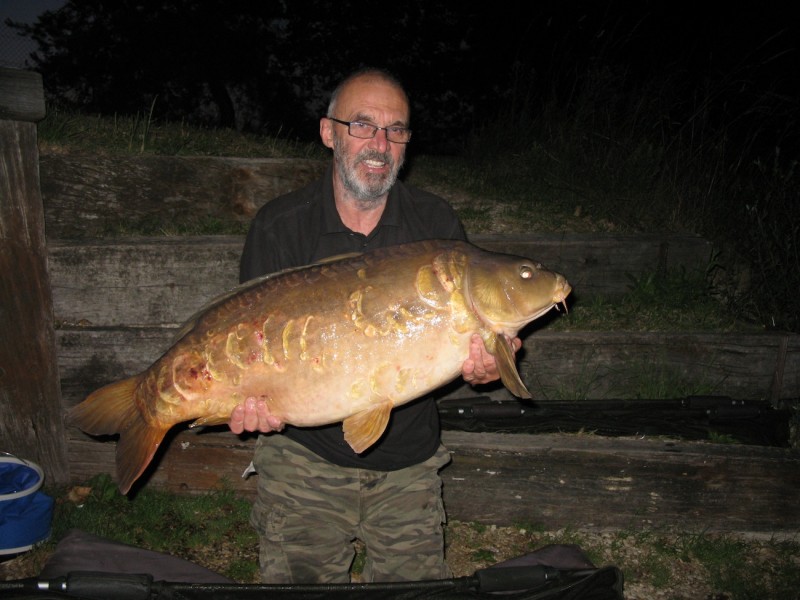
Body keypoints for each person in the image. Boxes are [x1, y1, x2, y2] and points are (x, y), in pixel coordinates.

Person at [228, 67, 521, 584]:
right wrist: (253, 403)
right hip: (304, 457)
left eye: (396, 130)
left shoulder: (437, 229)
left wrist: (487, 367)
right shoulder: (280, 226)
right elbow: (250, 348)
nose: (380, 144)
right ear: (328, 132)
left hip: (408, 460)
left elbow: (471, 343)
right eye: (362, 125)